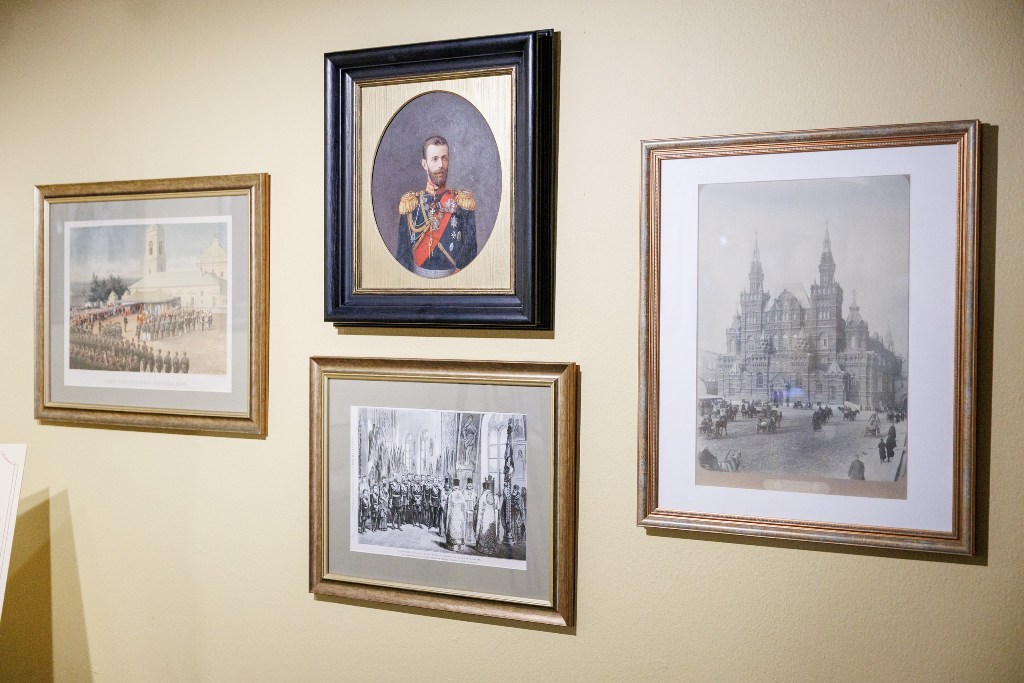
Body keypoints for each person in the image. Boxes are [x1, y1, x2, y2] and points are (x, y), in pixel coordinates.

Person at [396, 135, 478, 278]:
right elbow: (403, 254)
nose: (441, 165)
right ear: (424, 164)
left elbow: (470, 250)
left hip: (453, 278)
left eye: (444, 158)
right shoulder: (411, 203)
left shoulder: (462, 202)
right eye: (434, 159)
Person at [474, 481, 498, 554]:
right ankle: (491, 549)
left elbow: (479, 509)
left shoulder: (482, 496)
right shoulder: (492, 496)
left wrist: (478, 518)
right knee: (490, 531)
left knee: (483, 530)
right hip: (491, 519)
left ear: (483, 487)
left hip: (484, 518)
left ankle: (483, 548)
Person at [445, 478, 467, 551]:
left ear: (453, 486)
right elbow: (464, 505)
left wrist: (448, 515)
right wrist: (463, 514)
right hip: (460, 514)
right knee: (459, 529)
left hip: (453, 514)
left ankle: (453, 545)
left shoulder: (451, 495)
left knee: (453, 528)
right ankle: (460, 545)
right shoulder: (461, 494)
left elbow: (449, 506)